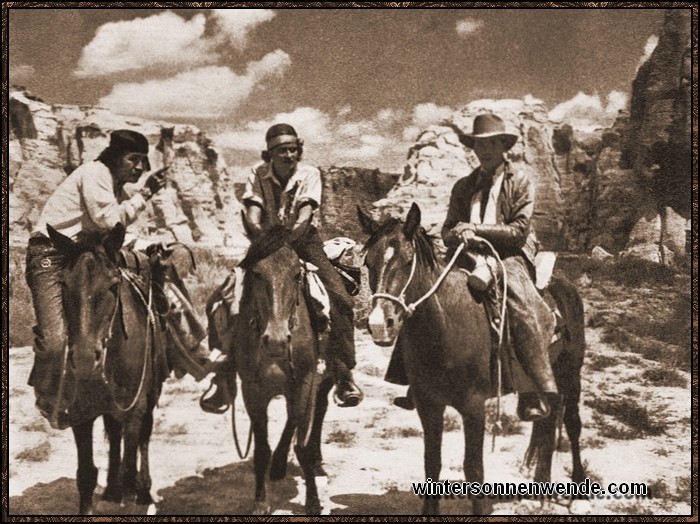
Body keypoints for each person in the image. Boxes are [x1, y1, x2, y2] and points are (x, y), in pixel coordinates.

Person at [26, 129, 210, 430]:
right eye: (133, 159)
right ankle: (49, 396)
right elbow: (109, 223)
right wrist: (145, 195)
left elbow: (119, 234)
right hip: (50, 253)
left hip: (85, 254)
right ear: (115, 157)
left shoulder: (116, 187)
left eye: (142, 161)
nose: (138, 167)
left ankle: (184, 348)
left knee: (156, 277)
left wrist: (150, 246)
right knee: (56, 339)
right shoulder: (96, 173)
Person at [391, 113, 558, 422]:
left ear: (503, 146)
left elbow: (519, 230)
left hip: (510, 253)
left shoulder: (519, 181)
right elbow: (447, 230)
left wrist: (475, 229)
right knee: (426, 292)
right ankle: (414, 380)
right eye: (480, 145)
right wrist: (459, 233)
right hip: (468, 253)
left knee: (518, 298)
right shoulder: (464, 186)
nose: (485, 151)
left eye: (492, 144)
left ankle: (534, 388)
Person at [199, 123, 364, 413]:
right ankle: (224, 369)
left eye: (292, 149)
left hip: (303, 239)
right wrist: (258, 234)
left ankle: (342, 371)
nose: (289, 155)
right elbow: (253, 210)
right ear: (269, 155)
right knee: (222, 299)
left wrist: (288, 238)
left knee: (340, 297)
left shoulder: (309, 174)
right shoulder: (257, 174)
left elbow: (305, 212)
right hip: (265, 241)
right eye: (281, 151)